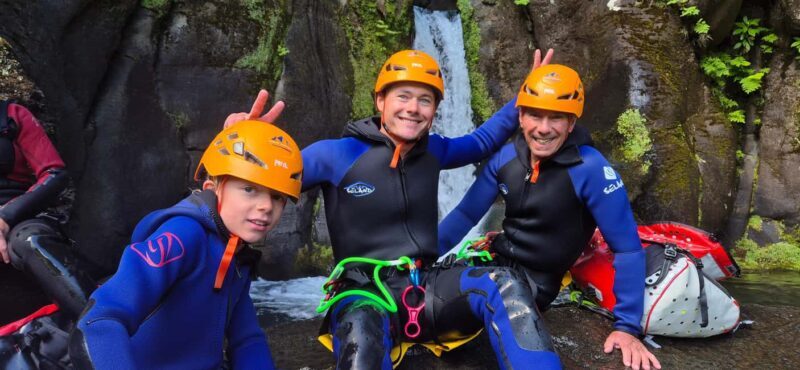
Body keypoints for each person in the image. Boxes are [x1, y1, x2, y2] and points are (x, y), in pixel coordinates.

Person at [228, 49, 564, 369]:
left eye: (425, 100)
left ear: (434, 110)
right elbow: (270, 178)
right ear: (380, 101)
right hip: (363, 290)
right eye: (403, 96)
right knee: (361, 334)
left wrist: (528, 97)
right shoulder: (335, 155)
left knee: (503, 281)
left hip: (428, 287)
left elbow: (481, 143)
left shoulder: (435, 151)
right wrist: (240, 145)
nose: (413, 108)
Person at [437, 64, 661, 370]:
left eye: (556, 117)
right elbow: (464, 215)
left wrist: (627, 327)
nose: (543, 128)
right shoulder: (506, 158)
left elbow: (628, 248)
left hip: (534, 283)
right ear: (520, 117)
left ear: (571, 122)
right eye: (535, 115)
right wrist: (419, 255)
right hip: (497, 262)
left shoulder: (591, 169)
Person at [68, 120, 302, 369]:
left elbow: (247, 340)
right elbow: (101, 320)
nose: (266, 206)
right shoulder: (183, 235)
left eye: (277, 196)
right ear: (212, 188)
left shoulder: (239, 259)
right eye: (249, 189)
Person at [0, 99, 93, 321]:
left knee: (30, 241)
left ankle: (101, 324)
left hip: (21, 216)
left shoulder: (12, 115)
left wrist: (4, 216)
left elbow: (54, 173)